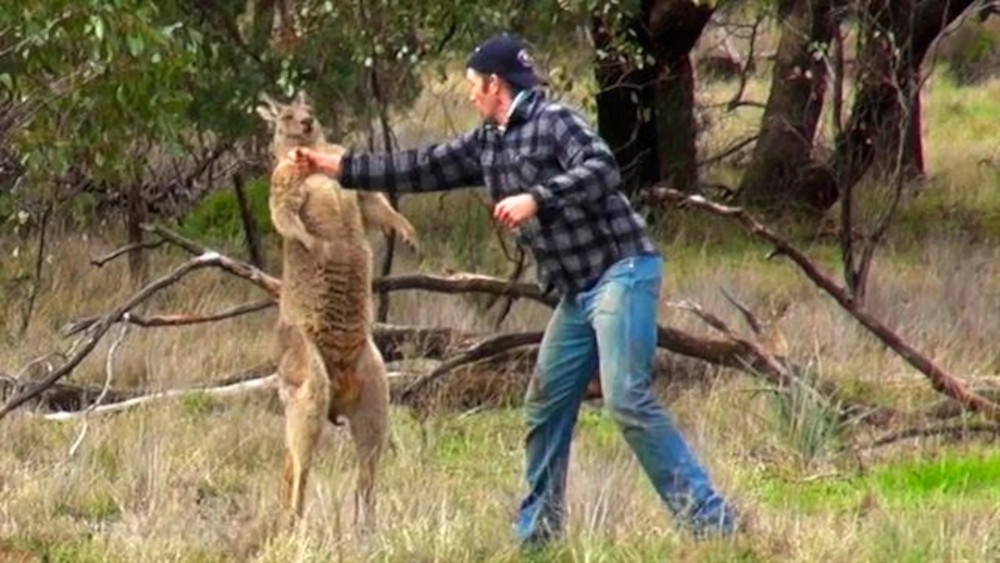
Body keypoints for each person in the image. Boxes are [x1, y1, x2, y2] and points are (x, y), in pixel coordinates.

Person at [291, 33, 738, 545]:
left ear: (495, 85)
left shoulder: (554, 121)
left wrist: (537, 199)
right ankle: (539, 536)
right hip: (577, 293)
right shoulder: (489, 141)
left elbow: (602, 169)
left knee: (626, 398)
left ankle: (712, 525)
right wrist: (332, 166)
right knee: (545, 407)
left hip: (621, 272)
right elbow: (420, 166)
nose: (468, 95)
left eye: (472, 85)